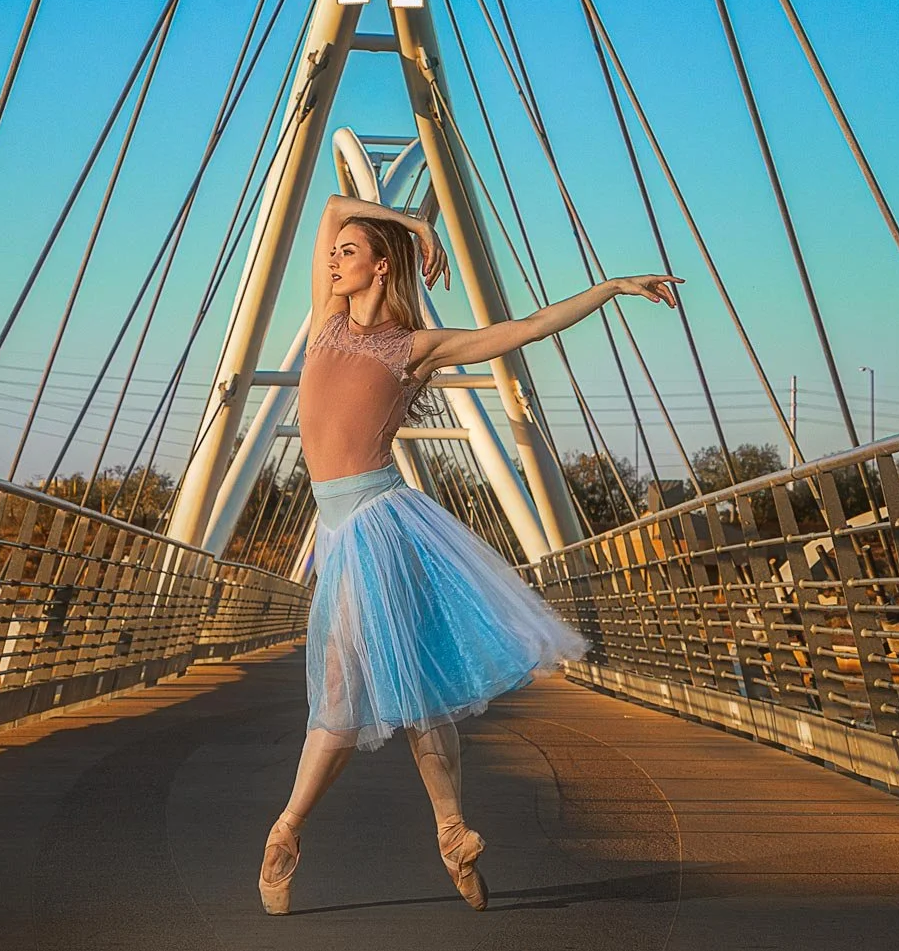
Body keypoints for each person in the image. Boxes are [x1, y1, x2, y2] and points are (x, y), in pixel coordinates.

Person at [257, 193, 683, 915]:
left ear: (380, 268)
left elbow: (522, 328)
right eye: (334, 252)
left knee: (371, 691)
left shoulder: (413, 347)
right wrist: (417, 221)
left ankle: (318, 832)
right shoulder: (325, 322)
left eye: (349, 252)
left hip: (379, 525)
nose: (332, 258)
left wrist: (610, 289)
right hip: (338, 533)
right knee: (390, 693)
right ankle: (422, 832)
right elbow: (329, 202)